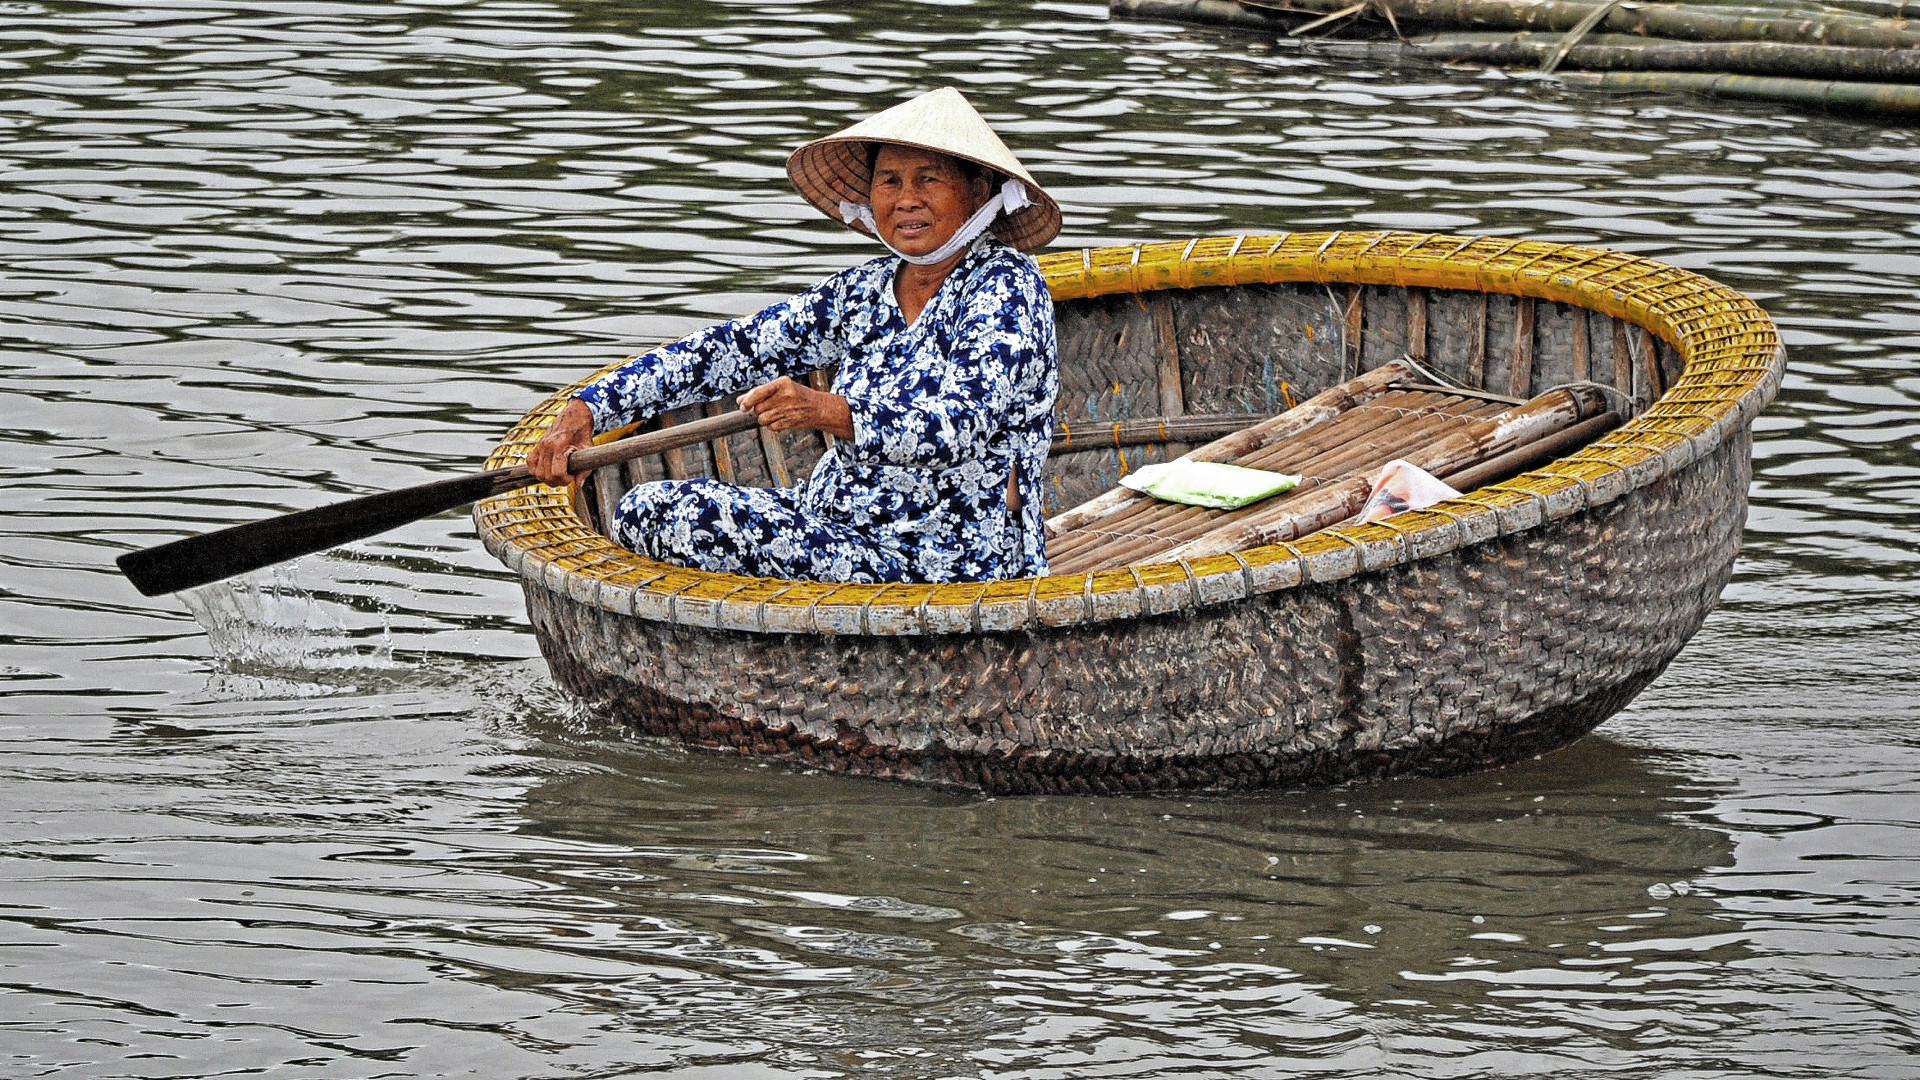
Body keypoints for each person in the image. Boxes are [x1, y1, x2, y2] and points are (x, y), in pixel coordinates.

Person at [527, 87, 1061, 584]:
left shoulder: (1008, 287)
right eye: (890, 181)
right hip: (833, 520)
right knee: (647, 510)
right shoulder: (865, 289)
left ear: (979, 191)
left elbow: (957, 426)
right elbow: (731, 350)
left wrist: (829, 411)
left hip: (950, 556)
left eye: (929, 179)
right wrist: (592, 408)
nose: (906, 199)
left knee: (693, 522)